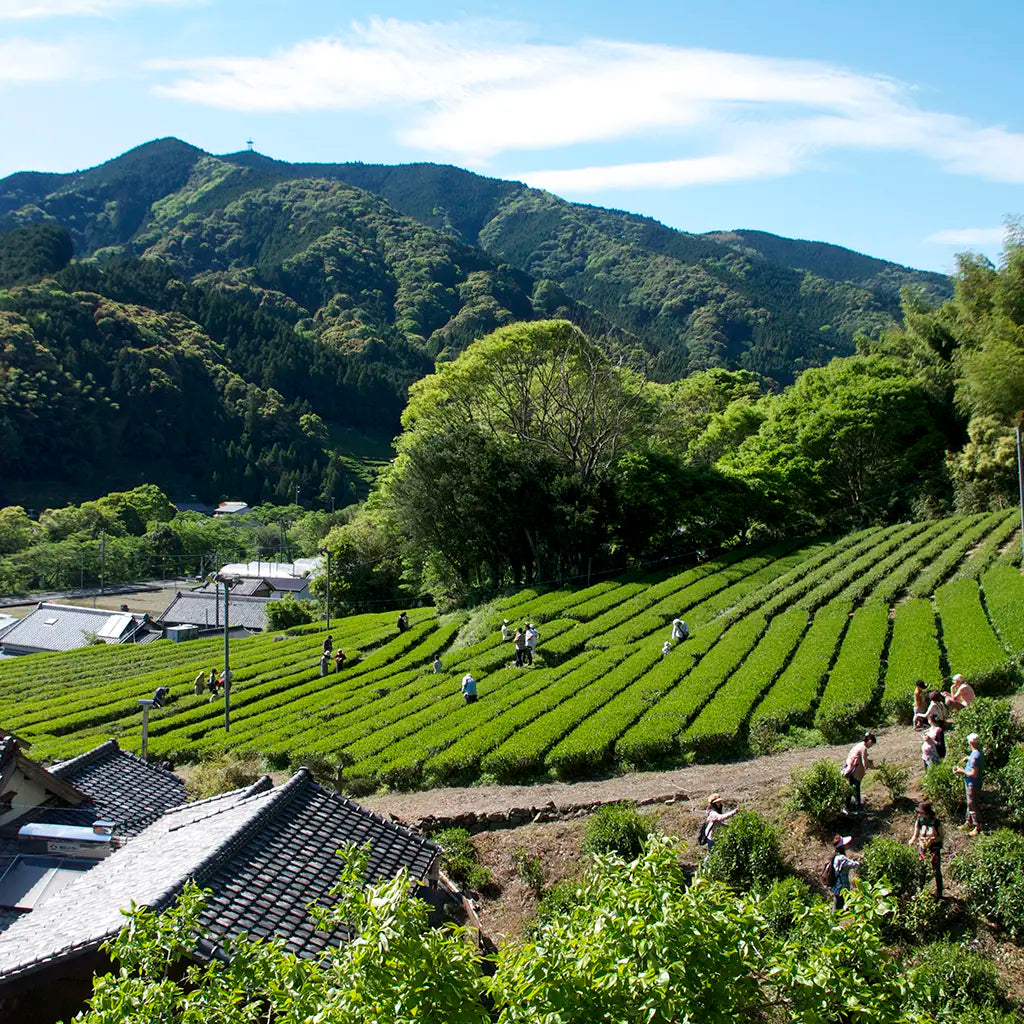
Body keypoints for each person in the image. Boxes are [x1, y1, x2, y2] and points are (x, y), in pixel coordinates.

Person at [909, 799, 943, 898]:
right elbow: (916, 833)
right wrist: (912, 840)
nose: (920, 814)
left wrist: (933, 839)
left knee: (936, 869)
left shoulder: (936, 822)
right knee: (922, 868)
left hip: (934, 847)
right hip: (923, 846)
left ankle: (939, 891)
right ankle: (921, 889)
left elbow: (941, 836)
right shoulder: (920, 821)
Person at [954, 732, 984, 836]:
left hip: (973, 784)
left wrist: (961, 771)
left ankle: (977, 826)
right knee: (970, 803)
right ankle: (969, 822)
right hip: (972, 783)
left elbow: (973, 773)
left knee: (973, 804)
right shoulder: (977, 752)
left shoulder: (975, 757)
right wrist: (968, 758)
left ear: (970, 742)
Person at [842, 732, 876, 812]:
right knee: (856, 789)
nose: (871, 746)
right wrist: (874, 767)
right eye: (872, 745)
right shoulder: (863, 748)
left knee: (850, 789)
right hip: (855, 771)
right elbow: (865, 763)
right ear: (870, 741)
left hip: (849, 769)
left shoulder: (859, 745)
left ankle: (846, 806)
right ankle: (858, 808)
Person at [830, 835, 860, 911]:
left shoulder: (836, 857)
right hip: (841, 887)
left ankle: (834, 920)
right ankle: (834, 921)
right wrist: (859, 862)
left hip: (838, 886)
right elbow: (851, 864)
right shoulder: (841, 858)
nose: (848, 845)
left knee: (839, 906)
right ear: (842, 847)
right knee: (839, 908)